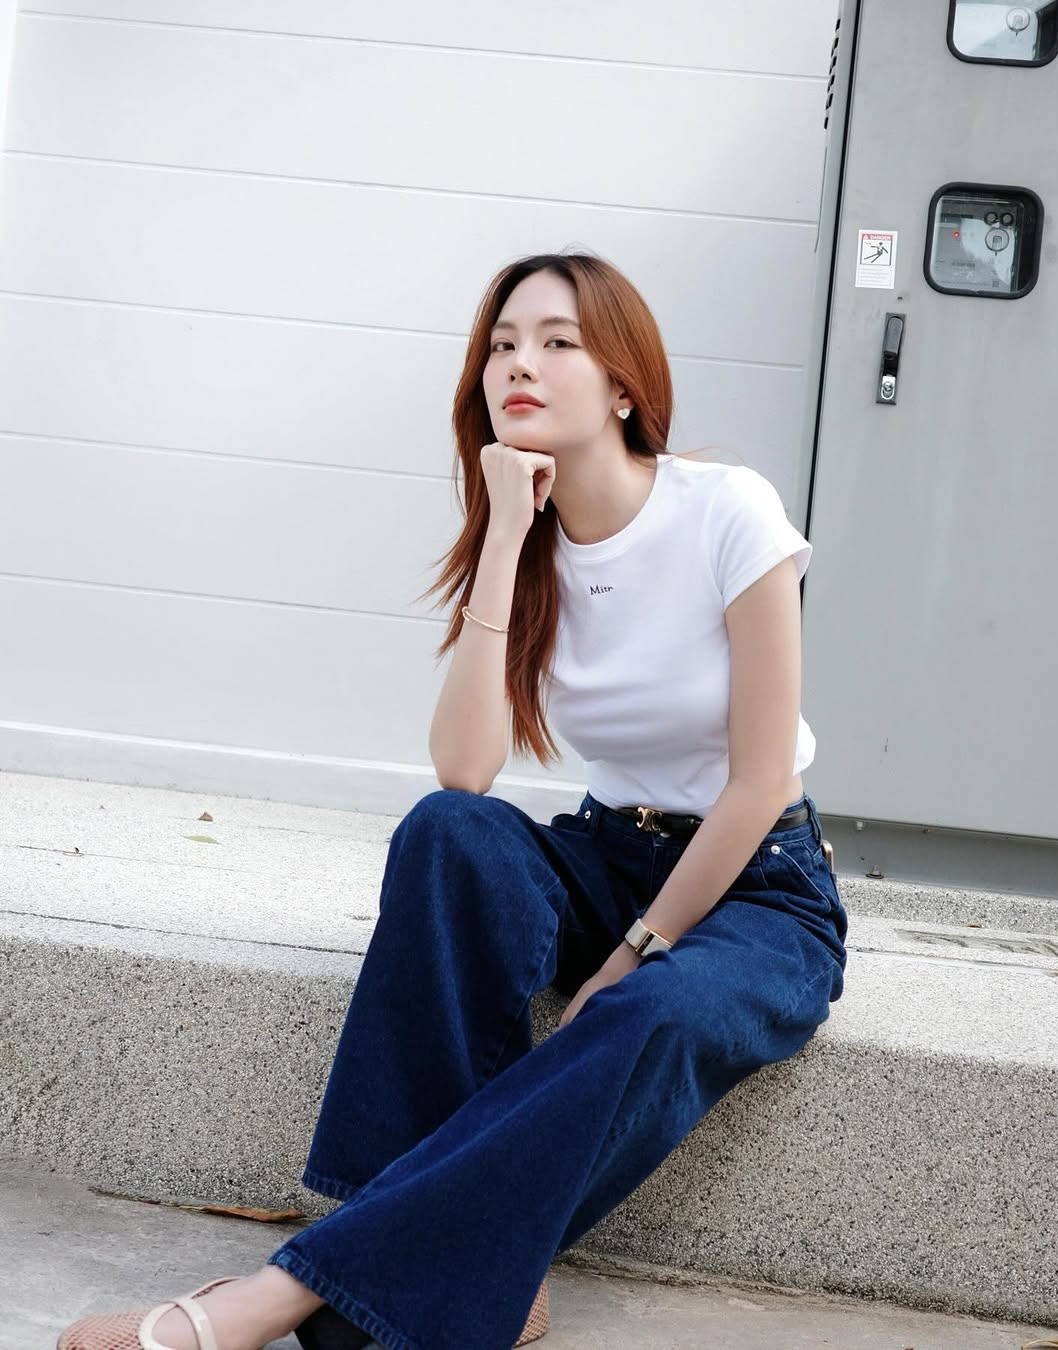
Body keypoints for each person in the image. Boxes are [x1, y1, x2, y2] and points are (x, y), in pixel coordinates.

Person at [57, 251, 848, 1350]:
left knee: (654, 1012)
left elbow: (759, 781)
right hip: (610, 853)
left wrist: (633, 954)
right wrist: (507, 538)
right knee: (448, 837)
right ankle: (469, 1282)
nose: (521, 363)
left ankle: (289, 1291)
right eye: (503, 345)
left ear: (624, 385)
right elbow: (464, 773)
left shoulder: (728, 511)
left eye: (558, 342)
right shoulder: (525, 544)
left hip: (758, 886)